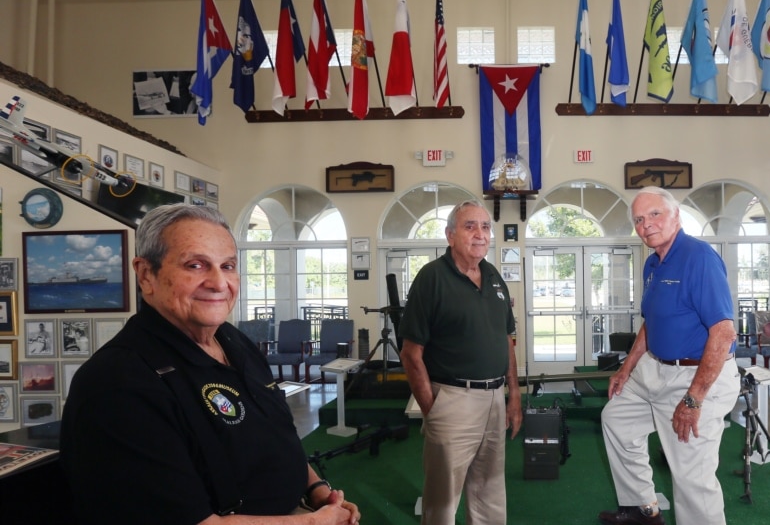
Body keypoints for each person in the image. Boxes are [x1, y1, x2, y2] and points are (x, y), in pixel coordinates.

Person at [61, 204, 360, 525]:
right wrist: (316, 522)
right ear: (146, 274)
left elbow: (277, 436)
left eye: (228, 266)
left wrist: (316, 490)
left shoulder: (233, 341)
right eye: (196, 265)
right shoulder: (119, 382)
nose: (219, 282)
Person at [599, 187, 739, 525]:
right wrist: (625, 369)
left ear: (676, 216)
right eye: (639, 219)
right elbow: (652, 321)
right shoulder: (652, 263)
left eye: (654, 215)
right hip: (653, 370)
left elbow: (723, 332)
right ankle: (641, 510)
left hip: (695, 376)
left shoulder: (699, 257)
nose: (646, 225)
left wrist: (693, 400)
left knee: (691, 474)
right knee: (616, 420)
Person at [398, 200, 522, 525]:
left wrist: (514, 396)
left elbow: (506, 340)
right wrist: (432, 409)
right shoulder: (431, 279)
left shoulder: (494, 276)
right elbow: (410, 353)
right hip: (452, 401)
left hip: (495, 401)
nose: (480, 234)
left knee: (490, 497)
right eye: (470, 226)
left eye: (485, 227)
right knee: (441, 505)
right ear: (450, 235)